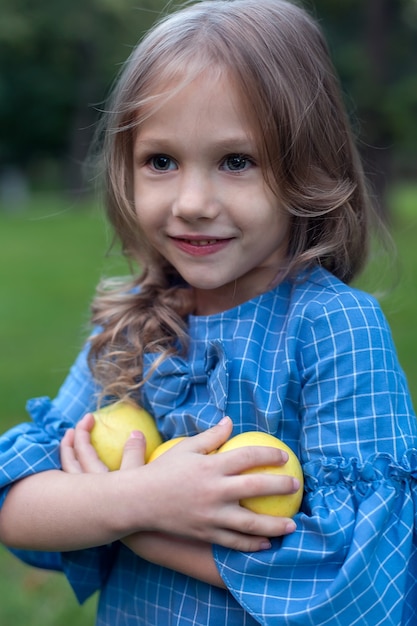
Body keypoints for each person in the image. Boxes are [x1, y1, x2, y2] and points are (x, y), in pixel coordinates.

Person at [0, 0, 416, 623]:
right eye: (161, 161)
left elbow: (359, 582)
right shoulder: (137, 327)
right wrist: (137, 501)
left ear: (308, 166)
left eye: (236, 161)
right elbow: (16, 500)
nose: (193, 202)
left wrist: (142, 528)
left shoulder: (331, 330)